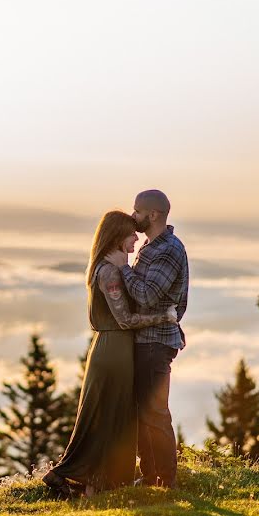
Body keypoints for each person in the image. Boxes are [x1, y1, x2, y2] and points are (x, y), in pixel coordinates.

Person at [43, 210, 177, 496]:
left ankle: (100, 483)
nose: (136, 238)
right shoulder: (109, 271)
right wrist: (164, 317)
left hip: (115, 349)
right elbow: (125, 320)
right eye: (131, 234)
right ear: (117, 236)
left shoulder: (106, 267)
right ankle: (69, 474)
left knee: (113, 416)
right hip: (114, 351)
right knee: (105, 416)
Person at [104, 189, 188, 488]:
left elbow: (147, 295)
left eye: (137, 211)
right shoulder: (151, 247)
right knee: (144, 411)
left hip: (155, 343)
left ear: (153, 215)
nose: (133, 215)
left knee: (154, 412)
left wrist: (122, 267)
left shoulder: (168, 250)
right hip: (146, 340)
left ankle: (167, 480)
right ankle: (151, 475)